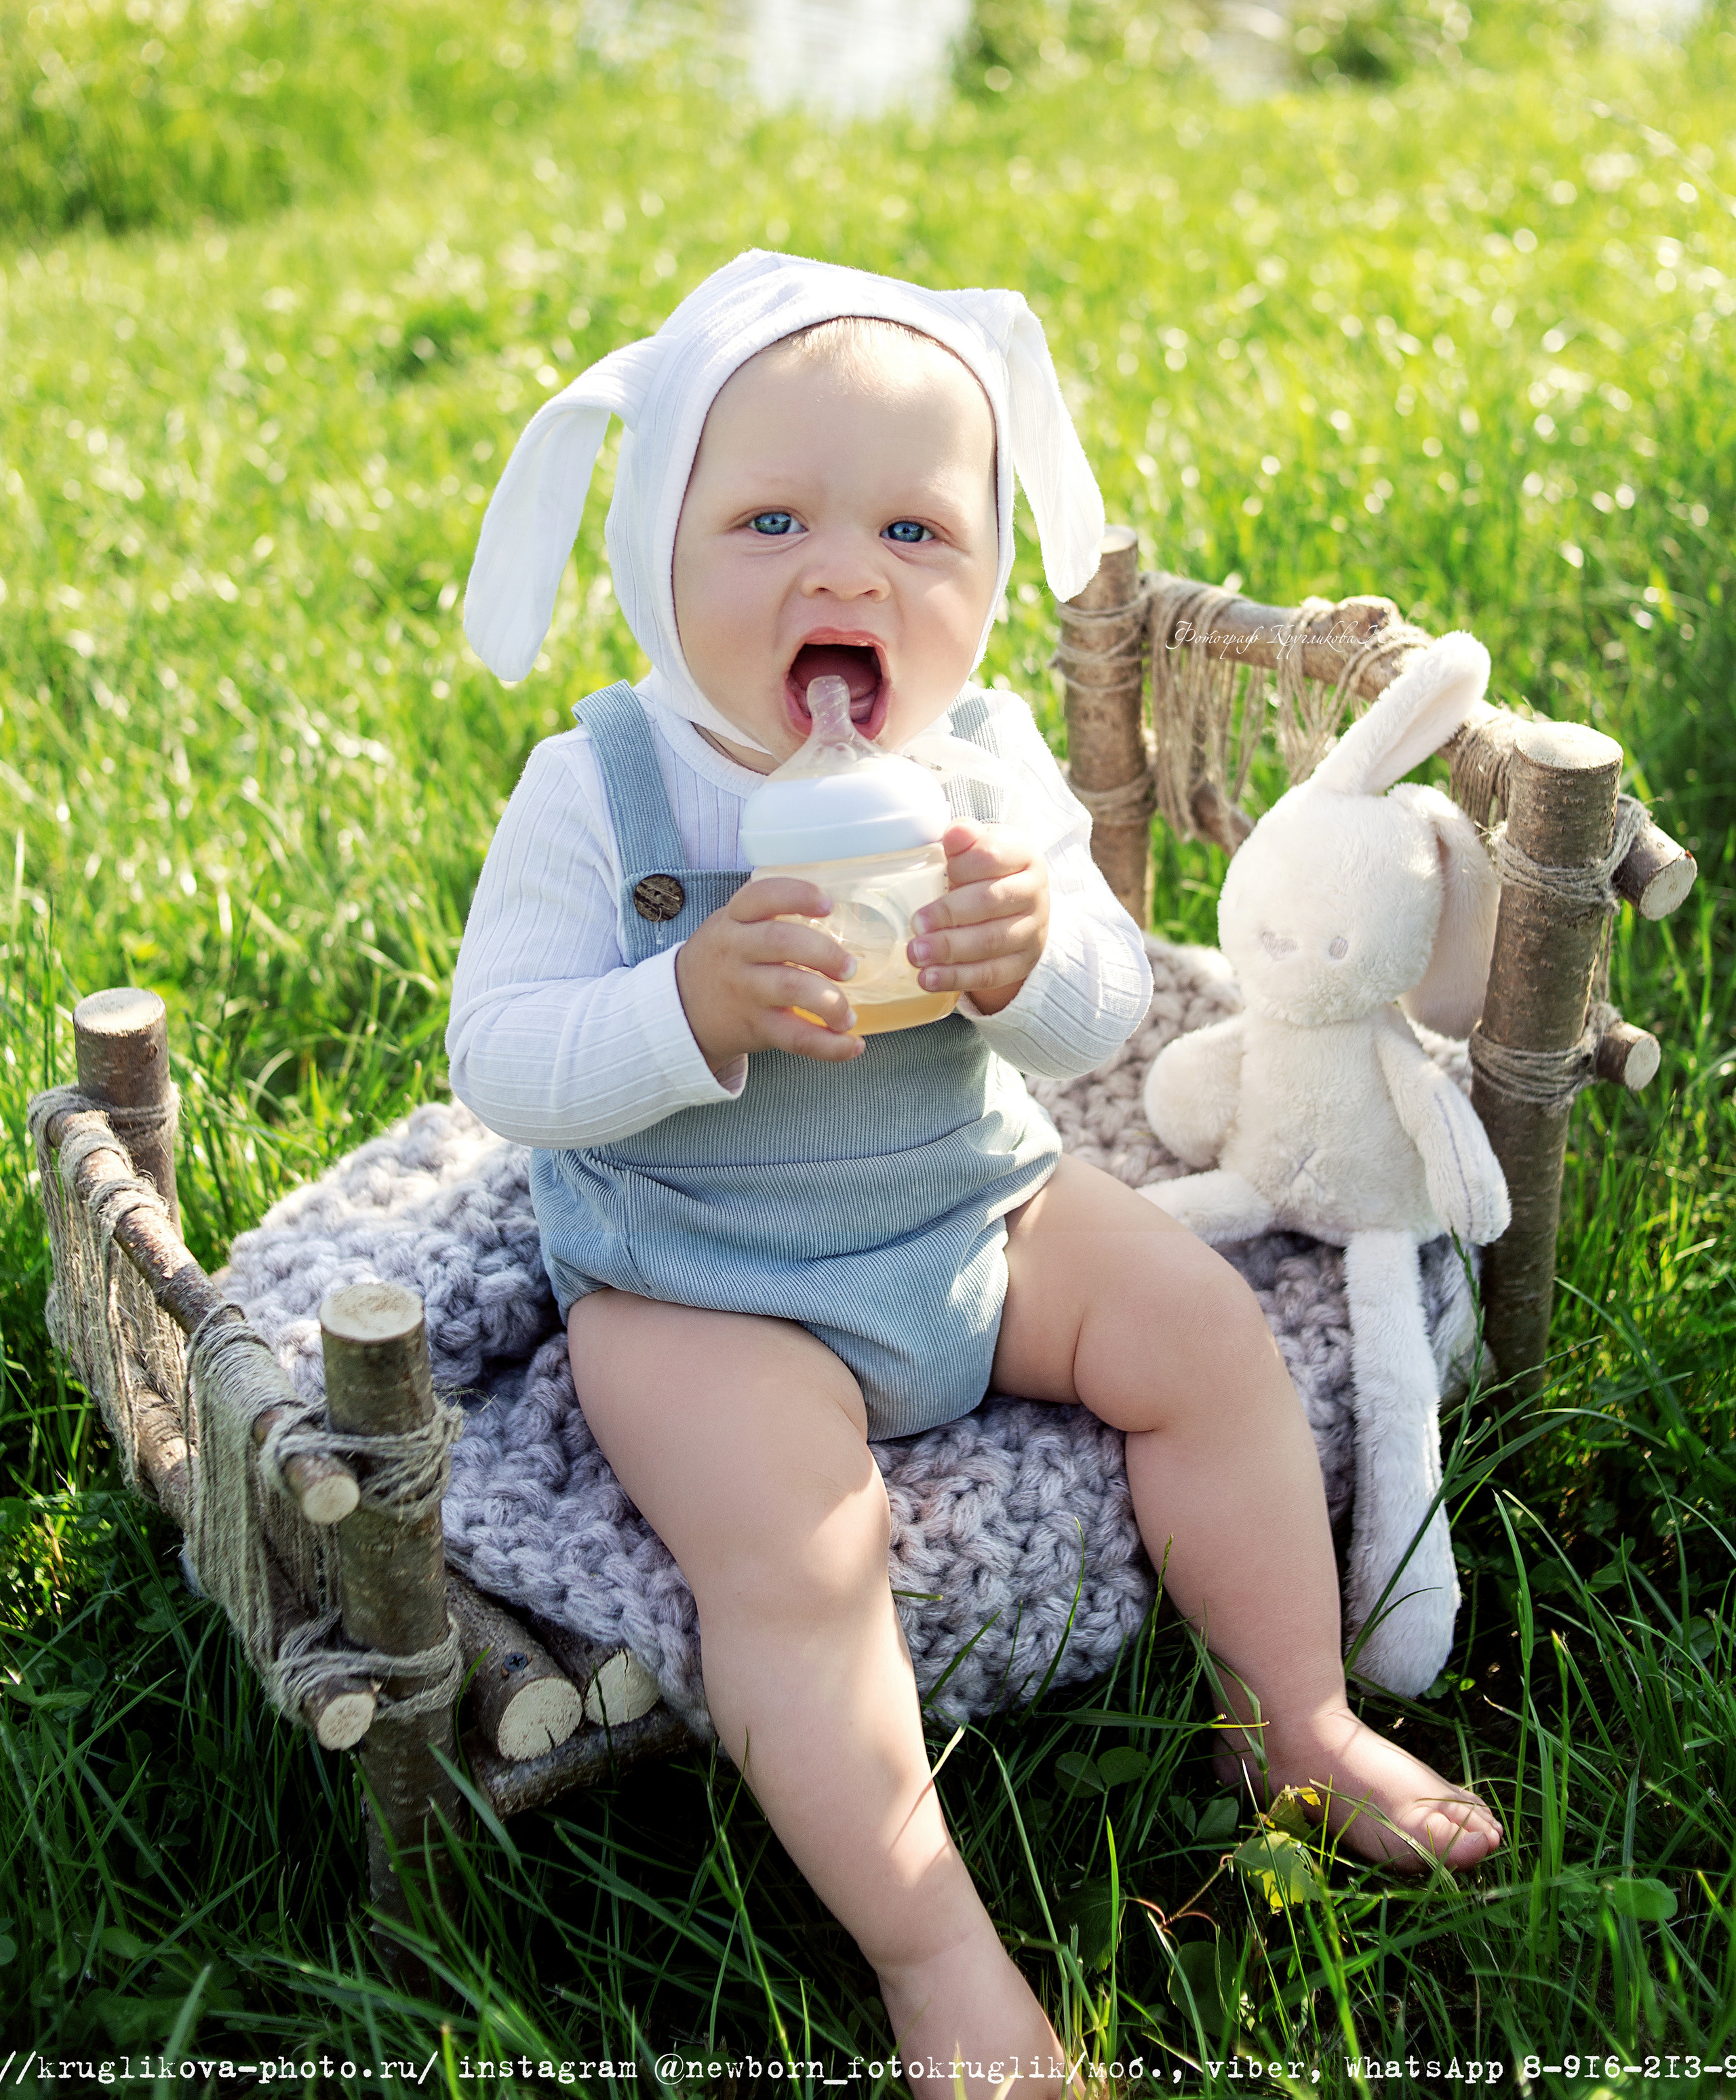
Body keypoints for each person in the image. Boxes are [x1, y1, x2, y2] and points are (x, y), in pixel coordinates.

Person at [448, 250, 1501, 2085]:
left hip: (971, 1207)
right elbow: (504, 1060)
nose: (846, 575)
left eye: (918, 533)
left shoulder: (990, 764)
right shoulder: (606, 785)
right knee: (801, 1551)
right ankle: (934, 1945)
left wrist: (1032, 954)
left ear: (990, 573)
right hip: (703, 1279)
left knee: (1212, 1338)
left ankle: (1301, 1718)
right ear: (658, 553)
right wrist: (685, 1004)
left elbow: (1097, 1024)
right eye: (769, 517)